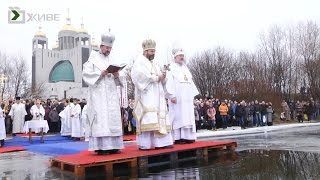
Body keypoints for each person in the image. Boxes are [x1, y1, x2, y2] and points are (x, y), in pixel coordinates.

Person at [82, 31, 125, 155]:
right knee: (102, 120)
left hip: (111, 95)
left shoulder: (113, 59)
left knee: (112, 119)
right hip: (98, 96)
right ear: (101, 46)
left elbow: (118, 82)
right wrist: (100, 74)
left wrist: (117, 75)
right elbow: (86, 76)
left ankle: (114, 146)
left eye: (110, 48)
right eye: (107, 47)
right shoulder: (92, 59)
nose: (109, 50)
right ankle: (101, 147)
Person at [131, 39, 173, 150]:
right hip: (146, 96)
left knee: (158, 119)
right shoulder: (139, 62)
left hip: (157, 96)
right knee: (148, 119)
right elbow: (138, 77)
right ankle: (145, 144)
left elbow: (160, 79)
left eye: (154, 51)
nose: (153, 53)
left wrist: (163, 76)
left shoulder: (154, 64)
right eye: (151, 51)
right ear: (145, 51)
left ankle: (161, 143)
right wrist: (155, 78)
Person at [166, 48, 199, 144]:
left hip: (187, 98)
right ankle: (178, 137)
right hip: (177, 98)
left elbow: (191, 83)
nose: (182, 57)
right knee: (178, 116)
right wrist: (171, 95)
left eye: (182, 56)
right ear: (175, 57)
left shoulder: (186, 68)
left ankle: (188, 136)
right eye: (180, 56)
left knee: (187, 116)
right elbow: (169, 82)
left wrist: (192, 96)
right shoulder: (171, 67)